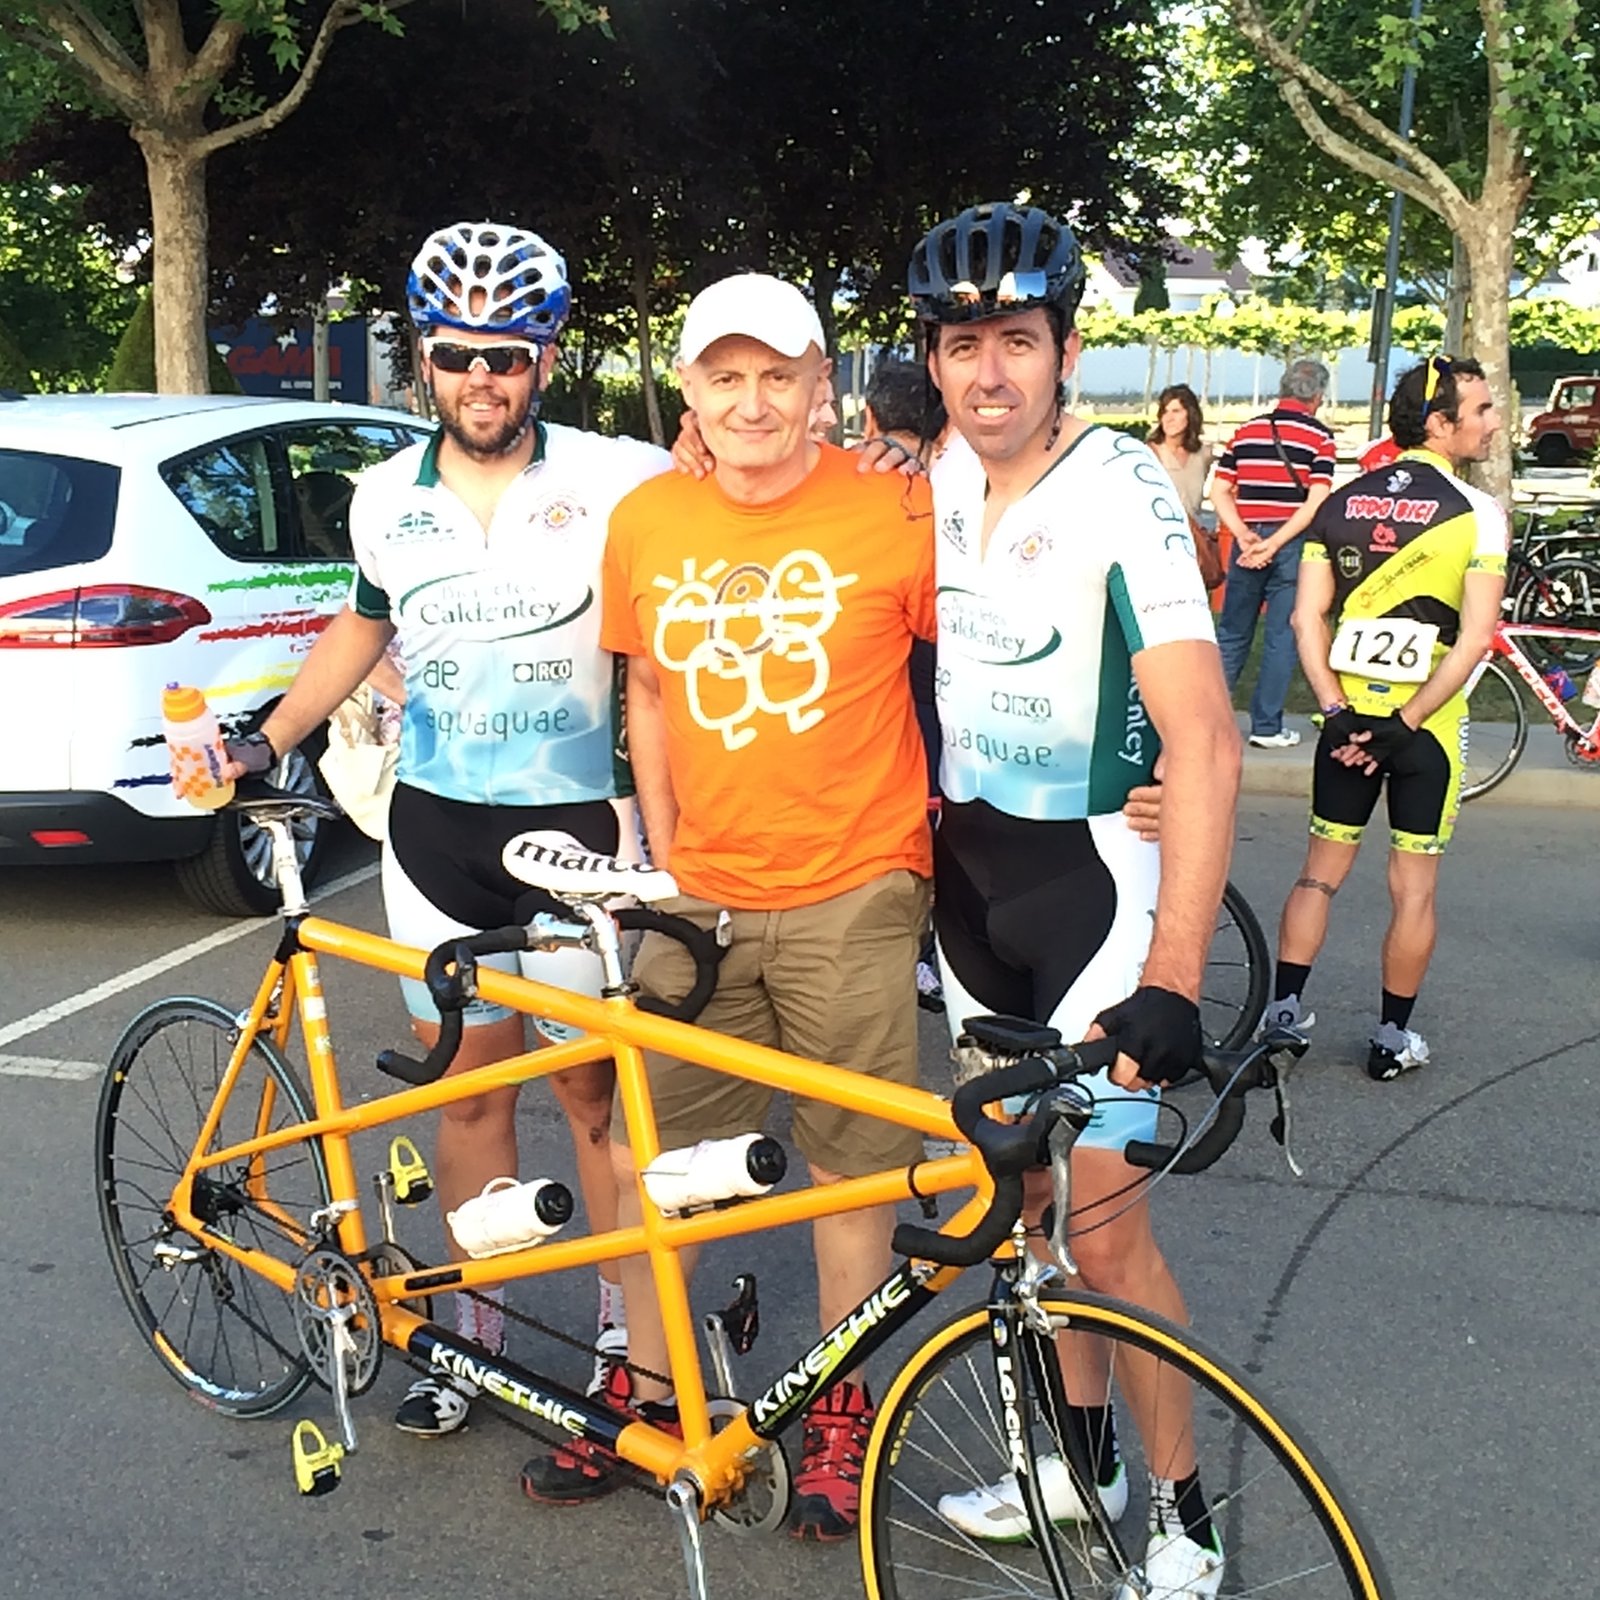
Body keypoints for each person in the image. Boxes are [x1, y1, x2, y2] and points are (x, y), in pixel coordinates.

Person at [222, 219, 671, 1433]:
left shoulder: (619, 478)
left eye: (509, 356)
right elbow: (362, 628)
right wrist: (270, 738)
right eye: (461, 354)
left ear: (547, 355)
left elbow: (743, 524)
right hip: (432, 835)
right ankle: (475, 1334)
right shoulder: (383, 498)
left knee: (592, 1094)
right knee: (468, 1095)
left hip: (579, 830)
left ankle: (628, 1342)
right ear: (425, 356)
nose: (484, 378)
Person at [521, 272, 938, 1540]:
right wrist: (660, 847)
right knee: (661, 1171)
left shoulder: (900, 511)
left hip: (854, 884)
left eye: (778, 375)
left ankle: (835, 1412)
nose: (752, 401)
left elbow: (981, 660)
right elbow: (647, 689)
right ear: (692, 391)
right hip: (693, 898)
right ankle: (653, 1402)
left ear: (824, 384)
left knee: (848, 1171)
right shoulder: (648, 518)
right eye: (726, 377)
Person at [907, 200, 1241, 1600]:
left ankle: (1181, 1514)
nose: (991, 371)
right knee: (1031, 1202)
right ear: (933, 359)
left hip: (1098, 898)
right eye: (965, 343)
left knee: (1105, 1227)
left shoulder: (1122, 491)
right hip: (975, 900)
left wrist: (1171, 976)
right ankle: (1077, 1456)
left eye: (1019, 343)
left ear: (1068, 350)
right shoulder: (926, 474)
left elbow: (1208, 738)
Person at [1263, 356, 1506, 1080]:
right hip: (1421, 729)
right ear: (1441, 423)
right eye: (1484, 410)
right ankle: (1392, 1039)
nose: (1496, 423)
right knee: (1414, 887)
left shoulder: (1344, 496)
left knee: (1318, 876)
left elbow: (1307, 619)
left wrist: (1336, 712)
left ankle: (1283, 1019)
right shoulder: (1477, 511)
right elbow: (1473, 638)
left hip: (1347, 723)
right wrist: (1408, 718)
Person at [862, 358, 950, 1010]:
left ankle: (919, 952)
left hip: (892, 695)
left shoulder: (855, 486)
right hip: (956, 689)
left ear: (868, 418)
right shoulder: (964, 485)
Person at [1211, 360, 1338, 748]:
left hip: (1247, 545)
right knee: (1281, 636)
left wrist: (1246, 535)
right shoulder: (1320, 438)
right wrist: (1277, 541)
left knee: (1232, 633)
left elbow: (1219, 491)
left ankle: (1209, 722)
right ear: (1317, 397)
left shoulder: (1246, 432)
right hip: (1291, 544)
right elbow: (1315, 502)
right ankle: (1266, 726)